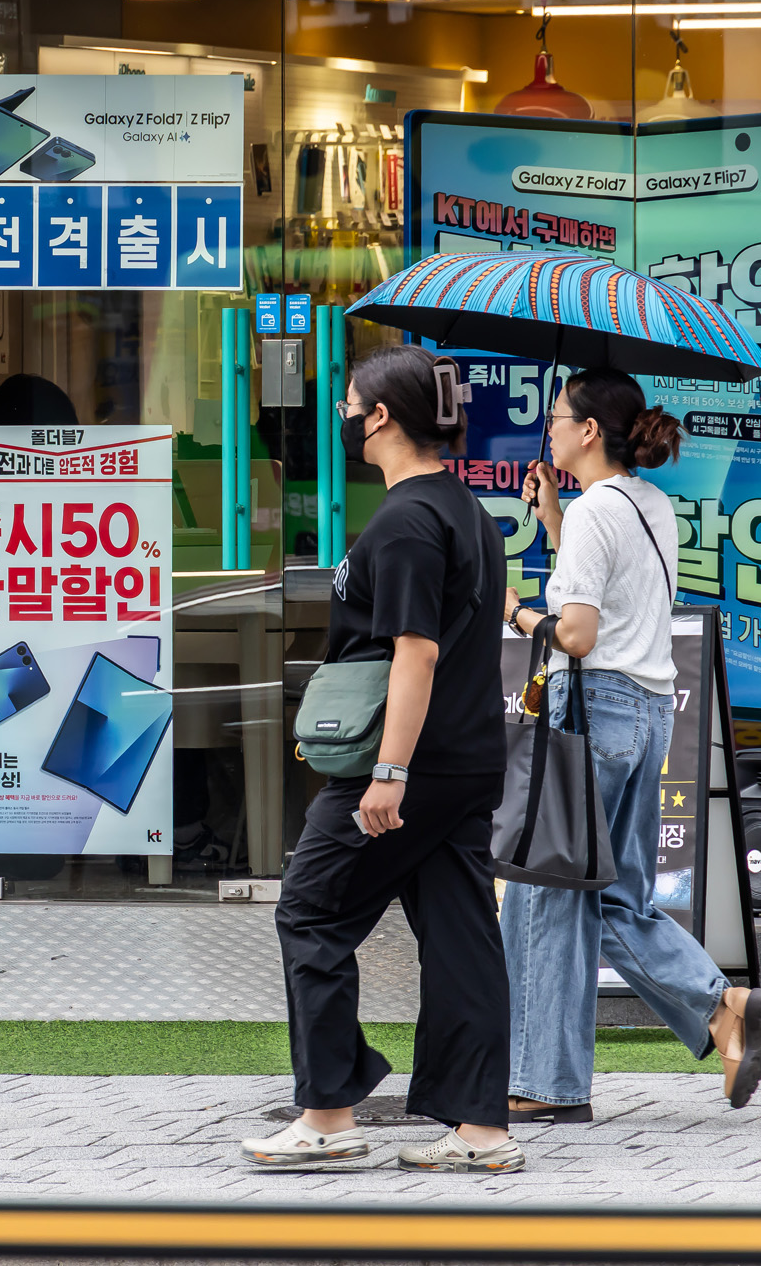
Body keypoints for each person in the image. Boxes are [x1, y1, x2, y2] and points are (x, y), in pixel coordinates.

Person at [241, 345, 521, 1175]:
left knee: (312, 910)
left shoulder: (403, 521)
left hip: (408, 766)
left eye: (349, 403)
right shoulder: (467, 511)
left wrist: (387, 773)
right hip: (469, 760)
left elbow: (415, 653)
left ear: (382, 417)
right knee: (464, 936)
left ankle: (329, 1111)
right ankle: (482, 1130)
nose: (341, 416)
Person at [501, 367, 761, 1122]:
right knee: (612, 893)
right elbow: (616, 594)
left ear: (589, 431)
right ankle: (723, 1007)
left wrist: (520, 614)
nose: (548, 426)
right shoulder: (648, 505)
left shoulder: (597, 514)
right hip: (648, 713)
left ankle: (545, 1085)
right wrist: (555, 521)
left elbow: (581, 633)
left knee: (548, 892)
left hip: (595, 711)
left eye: (558, 417)